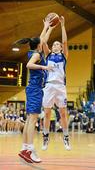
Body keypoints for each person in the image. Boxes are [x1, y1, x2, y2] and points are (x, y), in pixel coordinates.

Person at [17, 24, 53, 163]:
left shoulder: (34, 51)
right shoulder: (37, 55)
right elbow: (28, 65)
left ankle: (24, 148)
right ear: (39, 45)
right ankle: (30, 150)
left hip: (33, 89)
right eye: (42, 43)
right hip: (35, 90)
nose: (44, 42)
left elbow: (42, 38)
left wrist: (47, 27)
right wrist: (45, 67)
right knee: (33, 120)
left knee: (29, 120)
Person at [42, 16, 71, 150]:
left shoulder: (63, 56)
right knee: (47, 114)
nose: (55, 45)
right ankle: (45, 137)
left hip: (60, 86)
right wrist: (48, 28)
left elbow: (65, 42)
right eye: (53, 44)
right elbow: (43, 42)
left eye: (57, 44)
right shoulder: (48, 55)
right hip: (49, 85)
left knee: (63, 113)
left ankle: (66, 137)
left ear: (60, 47)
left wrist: (63, 25)